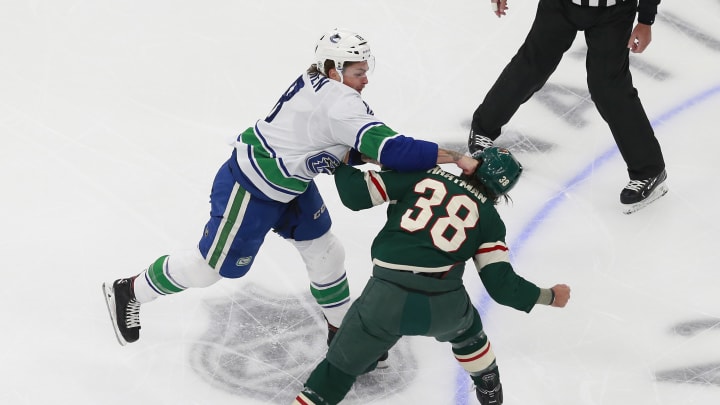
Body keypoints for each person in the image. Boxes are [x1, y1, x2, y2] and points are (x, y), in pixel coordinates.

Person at [101, 28, 478, 351]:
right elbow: (389, 148)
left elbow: (352, 144)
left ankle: (342, 334)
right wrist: (454, 157)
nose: (366, 78)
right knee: (208, 270)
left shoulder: (324, 85)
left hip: (290, 184)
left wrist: (365, 156)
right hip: (250, 188)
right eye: (359, 71)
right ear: (335, 70)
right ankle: (130, 290)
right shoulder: (339, 102)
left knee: (326, 251)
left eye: (367, 69)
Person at [293, 147, 571, 405]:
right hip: (444, 305)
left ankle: (357, 361)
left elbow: (356, 194)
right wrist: (549, 296)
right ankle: (487, 381)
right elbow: (501, 286)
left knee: (336, 372)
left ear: (471, 166)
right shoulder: (490, 219)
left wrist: (342, 166)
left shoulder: (426, 176)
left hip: (385, 299)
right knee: (469, 332)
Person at [468, 0, 667, 213]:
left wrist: (646, 19)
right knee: (531, 67)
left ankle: (649, 170)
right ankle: (483, 129)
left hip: (615, 11)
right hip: (560, 4)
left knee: (608, 88)